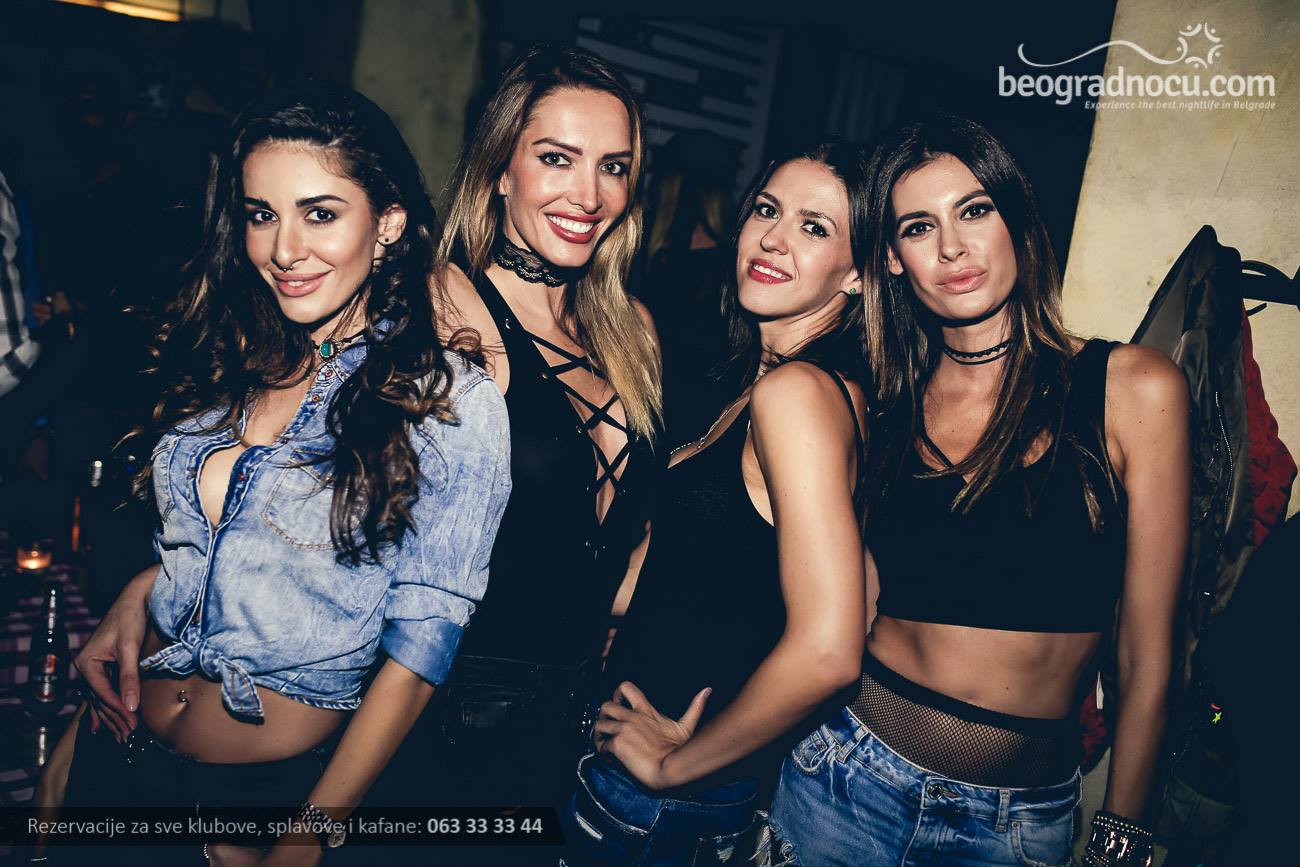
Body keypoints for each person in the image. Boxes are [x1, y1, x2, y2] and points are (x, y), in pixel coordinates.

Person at [60, 81, 511, 866]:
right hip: (119, 756)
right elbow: (215, 551)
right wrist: (78, 739)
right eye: (261, 214)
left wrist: (306, 838)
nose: (284, 249)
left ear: (388, 223)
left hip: (265, 802)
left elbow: (420, 653)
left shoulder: (447, 400)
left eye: (320, 213)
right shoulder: (240, 353)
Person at [768, 115, 1189, 866]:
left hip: (1014, 826)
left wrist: (1122, 836)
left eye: (974, 210)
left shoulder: (1131, 387)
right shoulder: (881, 404)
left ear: (1015, 219)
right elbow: (812, 596)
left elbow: (1148, 649)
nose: (952, 248)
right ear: (892, 258)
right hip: (840, 781)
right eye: (918, 227)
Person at [364, 41, 662, 848]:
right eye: (557, 158)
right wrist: (160, 582)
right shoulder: (443, 306)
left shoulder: (632, 330)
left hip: (571, 732)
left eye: (613, 166)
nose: (589, 195)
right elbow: (329, 491)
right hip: (445, 719)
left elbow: (624, 541)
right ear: (500, 169)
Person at [567, 142, 872, 865]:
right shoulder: (776, 384)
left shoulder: (797, 394)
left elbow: (832, 650)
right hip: (671, 791)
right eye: (766, 210)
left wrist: (678, 764)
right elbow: (736, 574)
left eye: (814, 227)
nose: (773, 238)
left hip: (662, 802)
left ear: (859, 273)